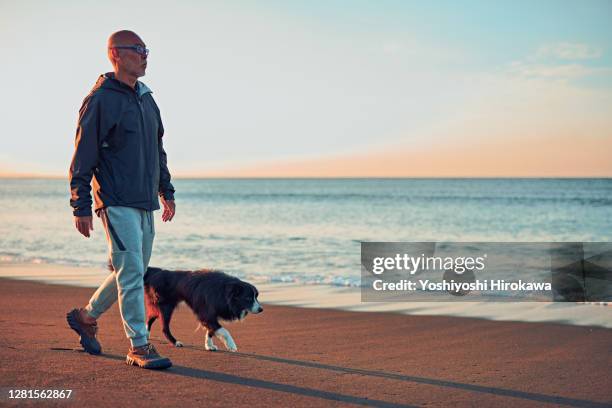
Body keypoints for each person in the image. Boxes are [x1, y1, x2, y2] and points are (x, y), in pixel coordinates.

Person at [66, 30, 175, 370]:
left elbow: (157, 150)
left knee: (133, 269)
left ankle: (86, 316)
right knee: (131, 274)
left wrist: (165, 190)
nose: (145, 56)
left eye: (147, 50)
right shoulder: (100, 100)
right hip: (114, 200)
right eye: (139, 49)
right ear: (116, 53)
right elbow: (83, 155)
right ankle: (139, 345)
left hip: (144, 201)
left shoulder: (147, 99)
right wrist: (80, 205)